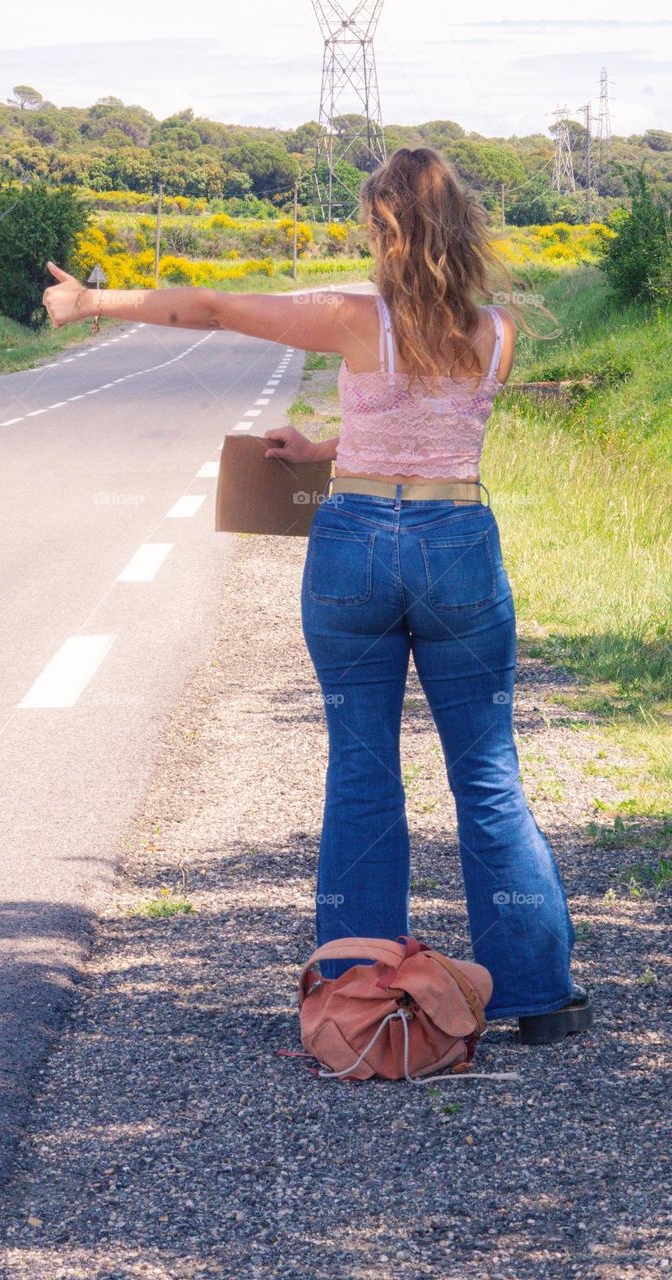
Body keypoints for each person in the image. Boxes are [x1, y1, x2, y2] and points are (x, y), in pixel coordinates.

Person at [42, 147, 592, 1047]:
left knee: (361, 768)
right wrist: (323, 447)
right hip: (457, 543)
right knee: (488, 773)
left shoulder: (347, 318)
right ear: (460, 229)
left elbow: (213, 307)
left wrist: (93, 302)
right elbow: (424, 423)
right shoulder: (497, 330)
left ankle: (356, 990)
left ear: (384, 229)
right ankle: (536, 992)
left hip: (354, 554)